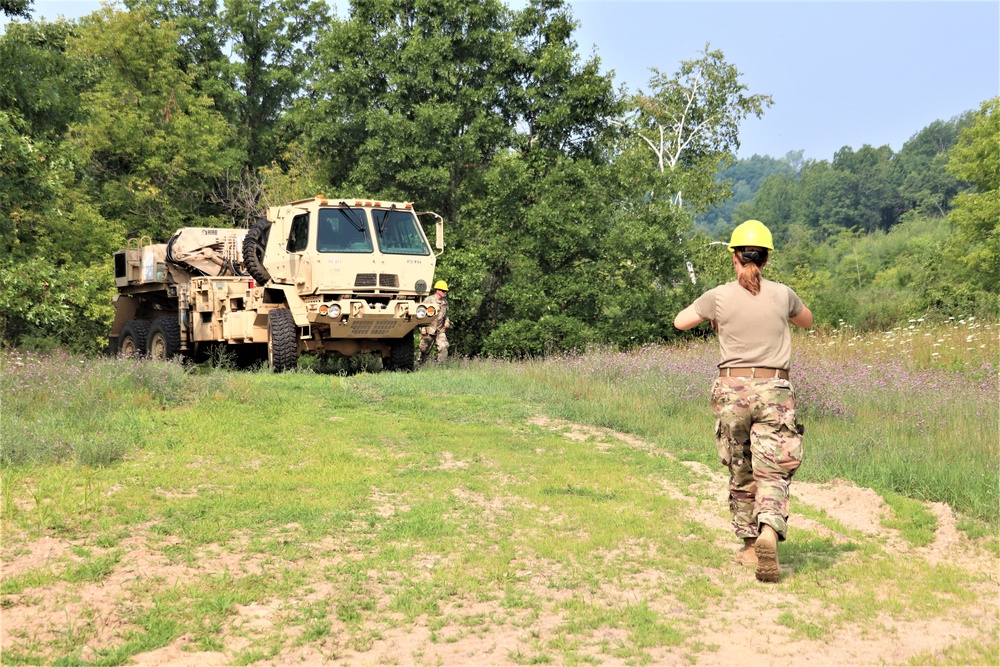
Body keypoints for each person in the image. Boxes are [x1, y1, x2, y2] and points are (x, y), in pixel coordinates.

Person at [673, 220, 813, 583]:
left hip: (732, 390)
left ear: (735, 257)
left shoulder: (717, 295)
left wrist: (715, 319)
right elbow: (807, 321)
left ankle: (750, 546)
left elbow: (680, 322)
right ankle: (770, 528)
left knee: (741, 466)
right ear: (765, 260)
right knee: (774, 467)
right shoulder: (783, 294)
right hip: (775, 390)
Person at [417, 280, 451, 364]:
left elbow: (446, 314)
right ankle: (420, 365)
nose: (445, 292)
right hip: (429, 330)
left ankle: (440, 366)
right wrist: (422, 327)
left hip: (440, 330)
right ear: (438, 290)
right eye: (443, 290)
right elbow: (421, 314)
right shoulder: (428, 300)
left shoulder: (445, 302)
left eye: (445, 291)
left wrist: (447, 321)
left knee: (443, 346)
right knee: (424, 349)